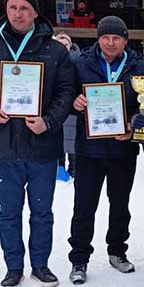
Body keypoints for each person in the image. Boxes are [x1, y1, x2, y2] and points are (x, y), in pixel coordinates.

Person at [0, 0, 75, 287]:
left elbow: (66, 92)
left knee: (42, 211)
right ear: (6, 11)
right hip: (3, 144)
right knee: (8, 211)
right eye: (13, 7)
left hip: (42, 145)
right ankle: (13, 266)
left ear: (35, 12)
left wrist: (48, 121)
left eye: (25, 7)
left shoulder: (55, 51)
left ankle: (40, 265)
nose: (19, 13)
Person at [67, 16, 144, 285]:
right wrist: (75, 102)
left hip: (122, 148)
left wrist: (134, 123)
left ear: (126, 40)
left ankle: (117, 251)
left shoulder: (139, 67)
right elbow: (65, 94)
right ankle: (79, 258)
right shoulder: (81, 63)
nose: (110, 42)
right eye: (105, 37)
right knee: (84, 207)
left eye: (116, 37)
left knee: (120, 205)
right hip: (88, 149)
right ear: (98, 38)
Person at [53, 31, 81, 178]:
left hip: (72, 108)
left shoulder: (78, 62)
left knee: (71, 139)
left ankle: (74, 168)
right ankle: (60, 166)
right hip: (55, 108)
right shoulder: (51, 60)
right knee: (58, 139)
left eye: (66, 44)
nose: (63, 46)